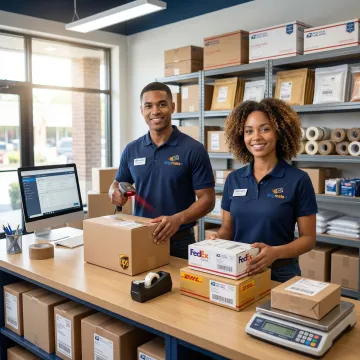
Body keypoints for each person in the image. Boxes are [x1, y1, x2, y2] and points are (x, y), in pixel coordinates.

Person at [209, 98, 317, 282]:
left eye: (265, 129)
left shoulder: (298, 180)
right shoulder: (234, 179)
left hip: (281, 272)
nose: (256, 137)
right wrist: (217, 239)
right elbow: (228, 228)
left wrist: (275, 253)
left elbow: (308, 239)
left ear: (279, 132)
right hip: (240, 270)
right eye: (248, 131)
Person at [109, 82, 215, 259]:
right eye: (148, 106)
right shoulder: (132, 149)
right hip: (141, 237)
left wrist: (178, 219)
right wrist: (113, 192)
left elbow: (208, 199)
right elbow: (117, 183)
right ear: (141, 110)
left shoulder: (193, 149)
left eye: (162, 104)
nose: (155, 111)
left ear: (172, 107)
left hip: (180, 241)